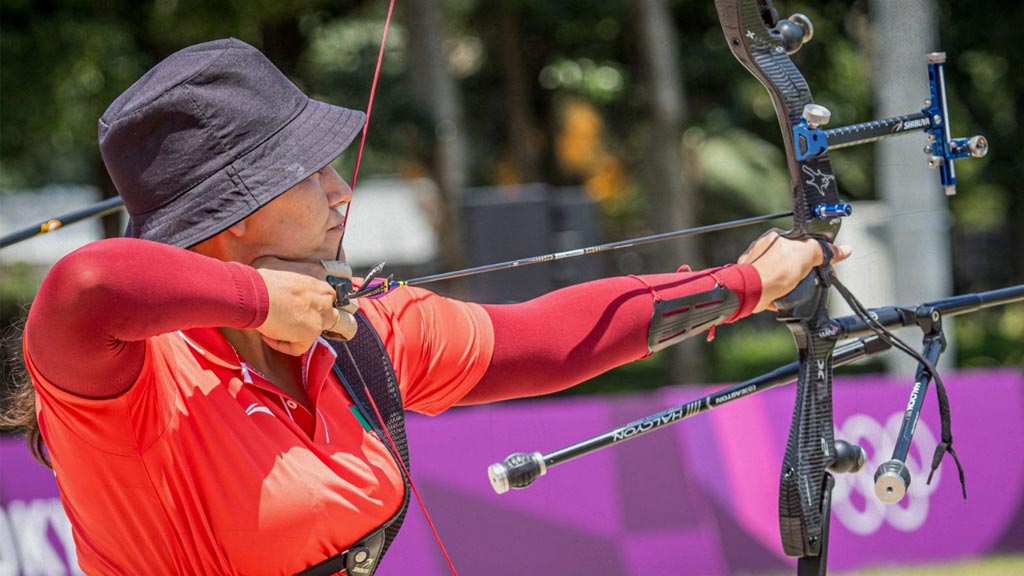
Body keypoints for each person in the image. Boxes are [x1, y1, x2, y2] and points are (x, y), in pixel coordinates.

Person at [5, 38, 848, 575]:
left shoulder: (357, 334)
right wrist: (262, 302)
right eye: (307, 173)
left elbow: (545, 341)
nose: (342, 191)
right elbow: (88, 286)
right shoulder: (129, 386)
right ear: (231, 212)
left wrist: (745, 285)